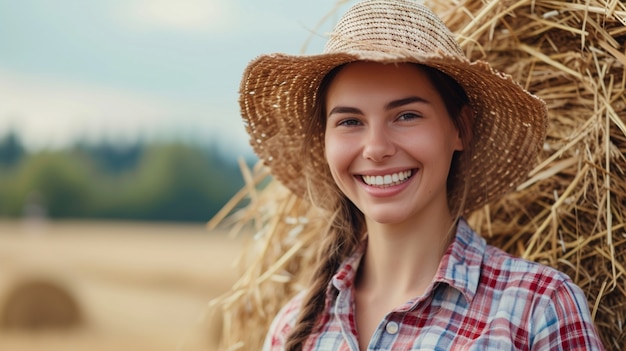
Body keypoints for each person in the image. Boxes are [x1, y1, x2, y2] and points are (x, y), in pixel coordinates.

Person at [238, 0, 605, 349]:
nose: (375, 148)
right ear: (325, 141)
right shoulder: (293, 329)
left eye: (406, 115)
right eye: (350, 121)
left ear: (460, 129)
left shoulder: (538, 309)